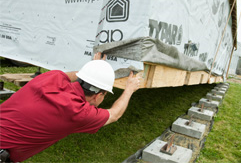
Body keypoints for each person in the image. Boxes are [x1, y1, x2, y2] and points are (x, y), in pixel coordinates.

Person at [0, 52, 141, 163]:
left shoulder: (51, 77)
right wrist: (129, 89)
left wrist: (93, 69)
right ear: (98, 96)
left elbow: (75, 75)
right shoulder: (78, 112)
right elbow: (114, 114)